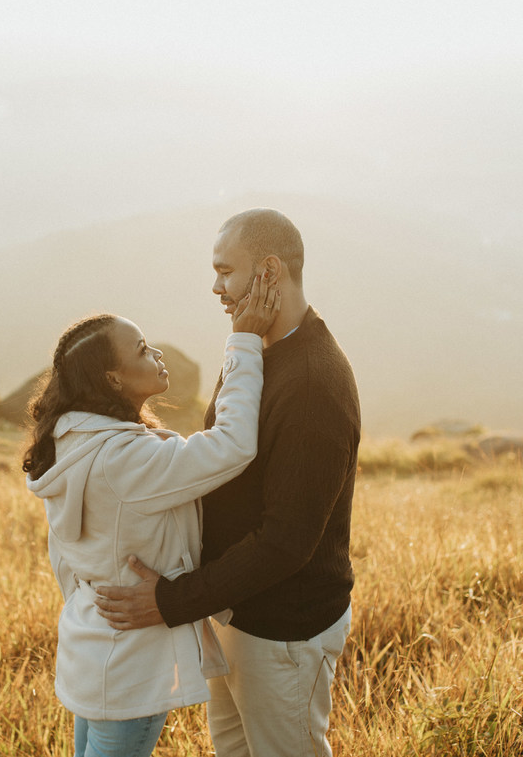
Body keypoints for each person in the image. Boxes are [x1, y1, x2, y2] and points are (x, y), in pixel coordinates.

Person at [94, 208, 361, 757]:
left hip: (283, 632)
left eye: (224, 271)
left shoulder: (313, 383)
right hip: (234, 613)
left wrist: (172, 601)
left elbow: (286, 542)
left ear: (269, 271)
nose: (215, 287)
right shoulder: (252, 344)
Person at [23, 273, 281, 757]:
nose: (157, 353)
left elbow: (64, 558)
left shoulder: (71, 444)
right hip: (131, 665)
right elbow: (232, 445)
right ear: (113, 379)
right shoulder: (122, 460)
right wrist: (244, 343)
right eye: (142, 350)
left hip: (91, 648)